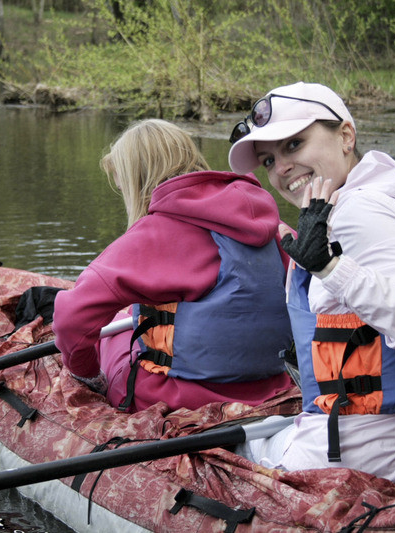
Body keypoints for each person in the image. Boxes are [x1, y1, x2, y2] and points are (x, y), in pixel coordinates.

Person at [227, 82, 395, 492]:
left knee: (229, 455)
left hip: (375, 457)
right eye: (268, 159)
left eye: (295, 144)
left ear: (346, 136)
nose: (281, 167)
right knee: (269, 429)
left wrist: (332, 268)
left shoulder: (357, 212)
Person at [52, 118, 295, 413]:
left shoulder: (155, 234)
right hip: (275, 387)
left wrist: (86, 373)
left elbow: (70, 319)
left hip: (183, 399)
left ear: (136, 181)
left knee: (115, 335)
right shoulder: (273, 228)